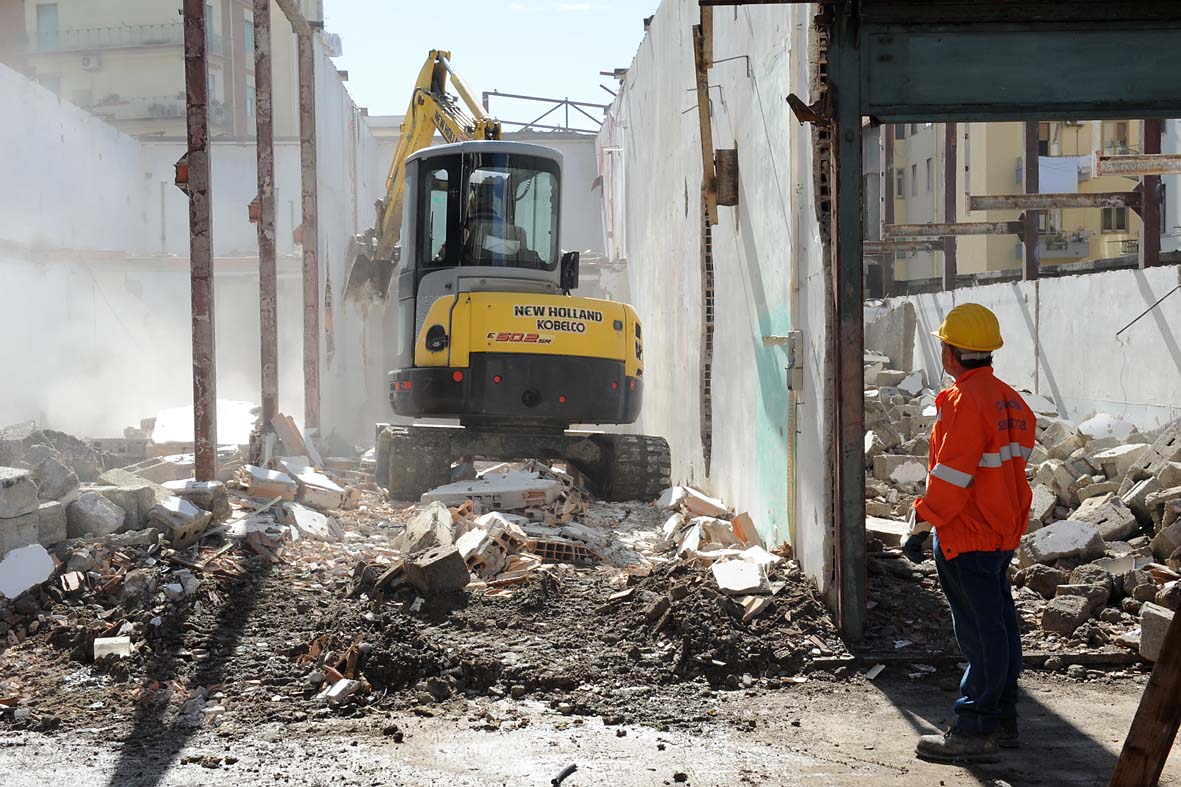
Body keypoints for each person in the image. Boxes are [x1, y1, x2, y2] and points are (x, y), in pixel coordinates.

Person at [905, 303, 1035, 764]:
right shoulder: (1010, 400)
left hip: (967, 532)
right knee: (999, 627)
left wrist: (922, 522)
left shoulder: (963, 402)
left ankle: (974, 727)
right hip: (1001, 531)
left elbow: (952, 476)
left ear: (950, 352)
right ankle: (1002, 718)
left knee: (981, 634)